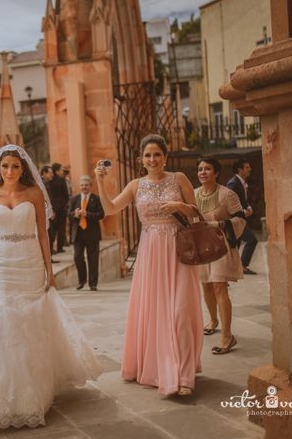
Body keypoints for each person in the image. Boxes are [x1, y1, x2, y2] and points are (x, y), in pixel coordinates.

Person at [0, 145, 101, 429]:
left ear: (22, 168)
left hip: (30, 261)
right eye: (5, 167)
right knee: (2, 322)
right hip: (2, 264)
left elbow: (43, 233)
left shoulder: (35, 194)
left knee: (31, 322)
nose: (10, 171)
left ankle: (34, 391)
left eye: (15, 166)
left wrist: (49, 272)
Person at [94, 134, 203, 396]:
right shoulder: (135, 185)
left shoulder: (179, 179)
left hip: (178, 249)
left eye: (157, 154)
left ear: (165, 156)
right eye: (147, 155)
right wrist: (100, 180)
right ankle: (158, 370)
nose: (152, 159)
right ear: (141, 160)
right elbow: (109, 209)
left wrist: (181, 206)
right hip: (151, 251)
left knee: (180, 311)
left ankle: (185, 376)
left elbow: (197, 212)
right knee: (155, 311)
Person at [195, 157, 246, 355]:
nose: (203, 172)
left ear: (216, 173)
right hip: (201, 245)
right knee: (206, 284)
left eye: (208, 169)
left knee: (218, 285)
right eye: (200, 169)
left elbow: (241, 219)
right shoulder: (193, 193)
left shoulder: (228, 194)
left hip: (221, 245)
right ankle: (213, 320)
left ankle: (227, 335)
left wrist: (220, 225)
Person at [68, 175, 104, 291]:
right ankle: (81, 280)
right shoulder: (74, 199)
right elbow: (68, 215)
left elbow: (101, 214)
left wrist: (87, 214)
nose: (84, 187)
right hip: (78, 233)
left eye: (86, 185)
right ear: (80, 186)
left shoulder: (96, 198)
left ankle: (93, 283)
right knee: (78, 257)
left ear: (90, 186)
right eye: (82, 185)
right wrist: (75, 214)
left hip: (92, 234)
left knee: (93, 259)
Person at [226, 158, 258, 274]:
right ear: (240, 170)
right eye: (247, 167)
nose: (250, 169)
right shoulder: (233, 183)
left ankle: (232, 268)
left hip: (240, 219)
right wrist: (243, 212)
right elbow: (230, 203)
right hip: (235, 220)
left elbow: (243, 200)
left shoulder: (241, 182)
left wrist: (248, 207)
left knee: (235, 244)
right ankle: (242, 266)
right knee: (251, 240)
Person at [48, 163, 70, 253]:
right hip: (61, 207)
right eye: (61, 170)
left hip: (52, 207)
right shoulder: (62, 180)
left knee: (52, 229)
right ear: (56, 171)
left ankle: (51, 249)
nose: (62, 171)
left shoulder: (50, 180)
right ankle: (59, 248)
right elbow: (66, 194)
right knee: (61, 228)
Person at [40, 165, 59, 264]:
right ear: (44, 173)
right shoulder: (42, 184)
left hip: (48, 212)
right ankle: (48, 258)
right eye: (50, 173)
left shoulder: (46, 183)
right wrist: (50, 211)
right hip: (46, 213)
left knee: (50, 235)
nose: (52, 175)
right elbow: (45, 200)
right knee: (49, 235)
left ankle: (49, 257)